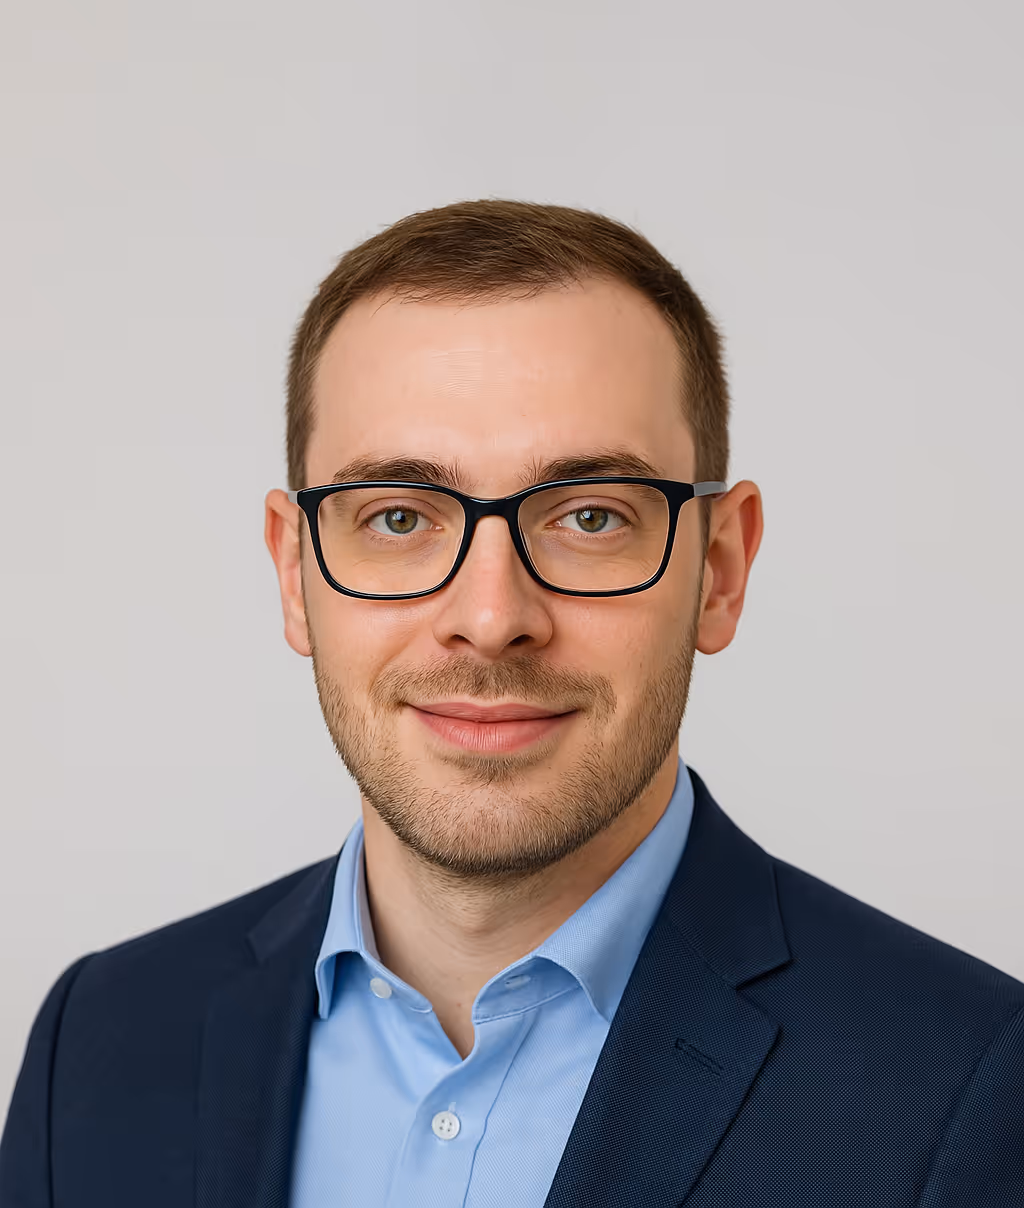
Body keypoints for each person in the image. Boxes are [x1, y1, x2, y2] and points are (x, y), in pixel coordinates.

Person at [1, 200, 1021, 1208]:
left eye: (589, 515)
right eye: (397, 514)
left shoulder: (966, 1085)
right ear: (293, 570)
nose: (490, 617)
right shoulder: (98, 1040)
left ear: (718, 568)